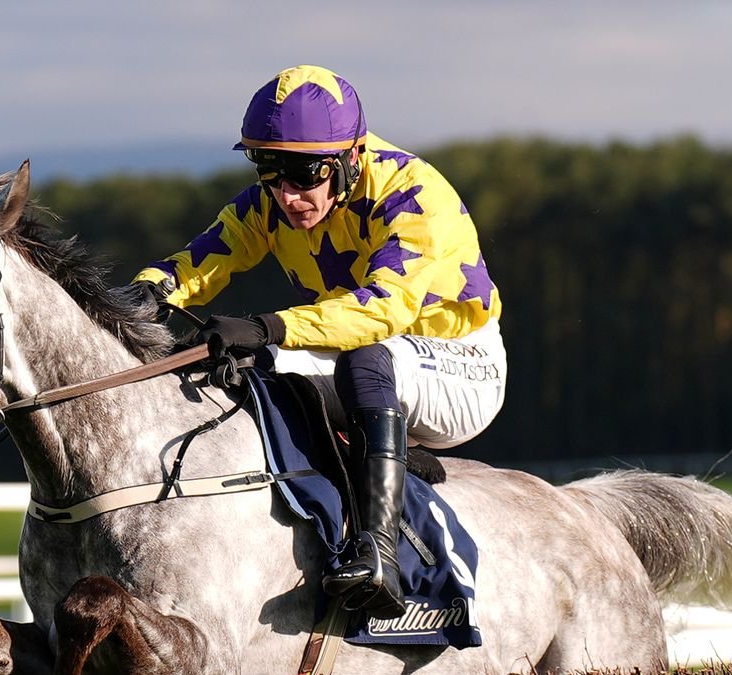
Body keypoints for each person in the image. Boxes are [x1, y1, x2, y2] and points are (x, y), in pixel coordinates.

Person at [121, 64, 507, 620]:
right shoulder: (272, 201)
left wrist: (268, 326)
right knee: (245, 366)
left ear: (350, 158)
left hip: (460, 363)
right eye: (270, 169)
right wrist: (140, 295)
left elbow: (383, 310)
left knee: (363, 356)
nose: (287, 194)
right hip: (368, 361)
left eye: (305, 174)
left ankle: (379, 553)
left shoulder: (414, 195)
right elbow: (196, 263)